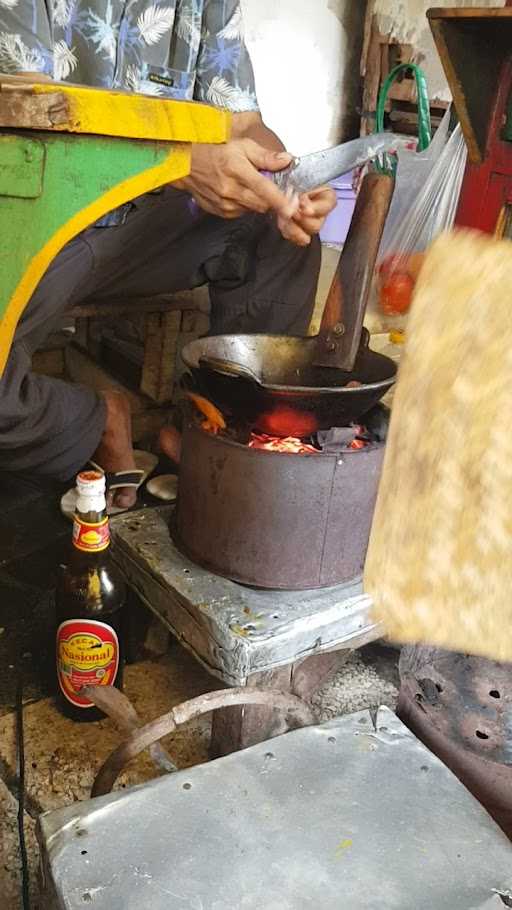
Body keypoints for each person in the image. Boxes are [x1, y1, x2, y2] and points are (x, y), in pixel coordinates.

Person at [0, 0, 336, 507]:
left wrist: (283, 179)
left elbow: (244, 125)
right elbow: (29, 111)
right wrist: (175, 160)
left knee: (277, 236)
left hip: (146, 228)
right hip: (37, 222)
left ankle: (215, 434)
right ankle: (93, 420)